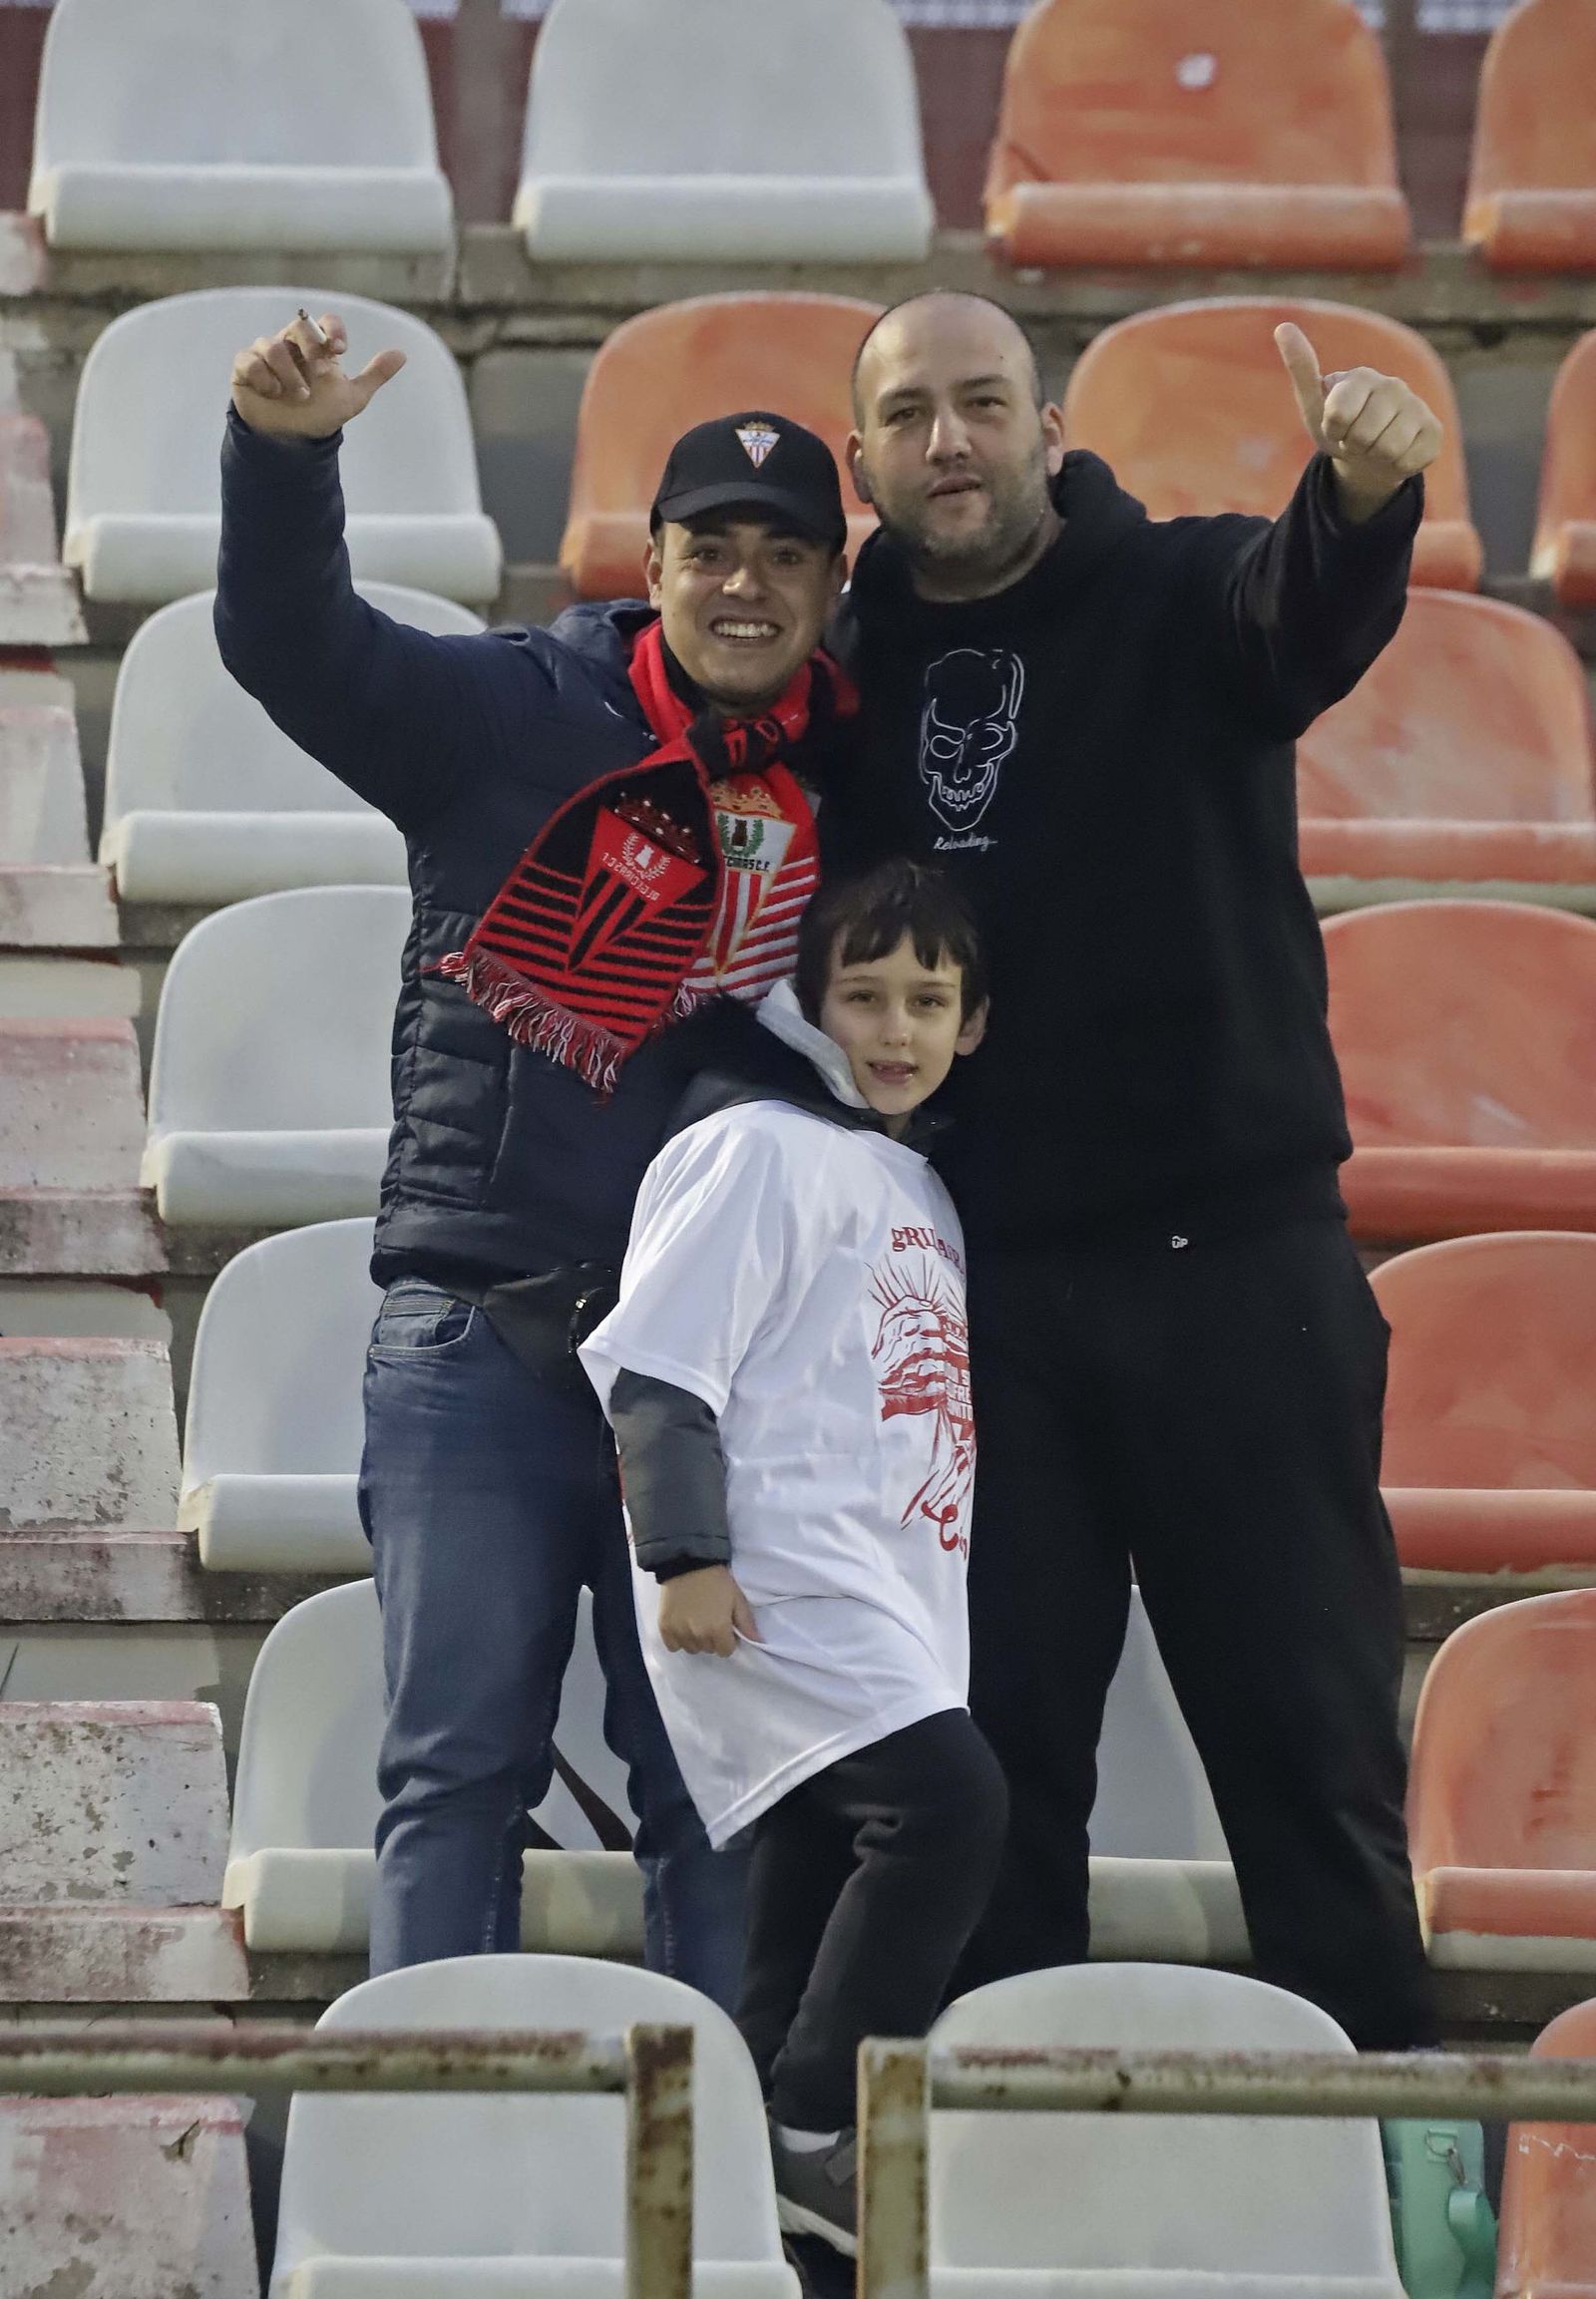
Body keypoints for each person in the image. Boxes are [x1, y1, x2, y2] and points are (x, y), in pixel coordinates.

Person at [216, 305, 858, 1999]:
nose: (743, 582)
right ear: (652, 563)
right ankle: (429, 2180)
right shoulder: (515, 707)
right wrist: (283, 460)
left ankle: (717, 2197)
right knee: (453, 1778)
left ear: (830, 591)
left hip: (719, 1373)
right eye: (709, 546)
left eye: (783, 555)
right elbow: (296, 645)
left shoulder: (856, 784)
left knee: (720, 1798)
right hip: (482, 1337)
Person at [828, 289, 1442, 2050]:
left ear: (1048, 429)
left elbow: (1298, 617)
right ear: (865, 455)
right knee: (996, 1788)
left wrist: (1360, 496)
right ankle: (1008, 2221)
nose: (951, 439)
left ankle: (1405, 2200)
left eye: (983, 403)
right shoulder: (843, 674)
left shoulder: (1182, 593)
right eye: (912, 414)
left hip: (1239, 1277)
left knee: (1313, 1769)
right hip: (986, 1296)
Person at [579, 860, 1004, 2257]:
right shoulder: (752, 1144)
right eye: (864, 996)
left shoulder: (919, 1183)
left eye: (925, 1001)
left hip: (883, 1596)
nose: (894, 1028)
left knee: (804, 1902)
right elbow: (657, 1363)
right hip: (770, 1583)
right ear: (809, 1006)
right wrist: (686, 1551)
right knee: (950, 1807)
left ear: (971, 1022)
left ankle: (740, 2195)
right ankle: (819, 2122)